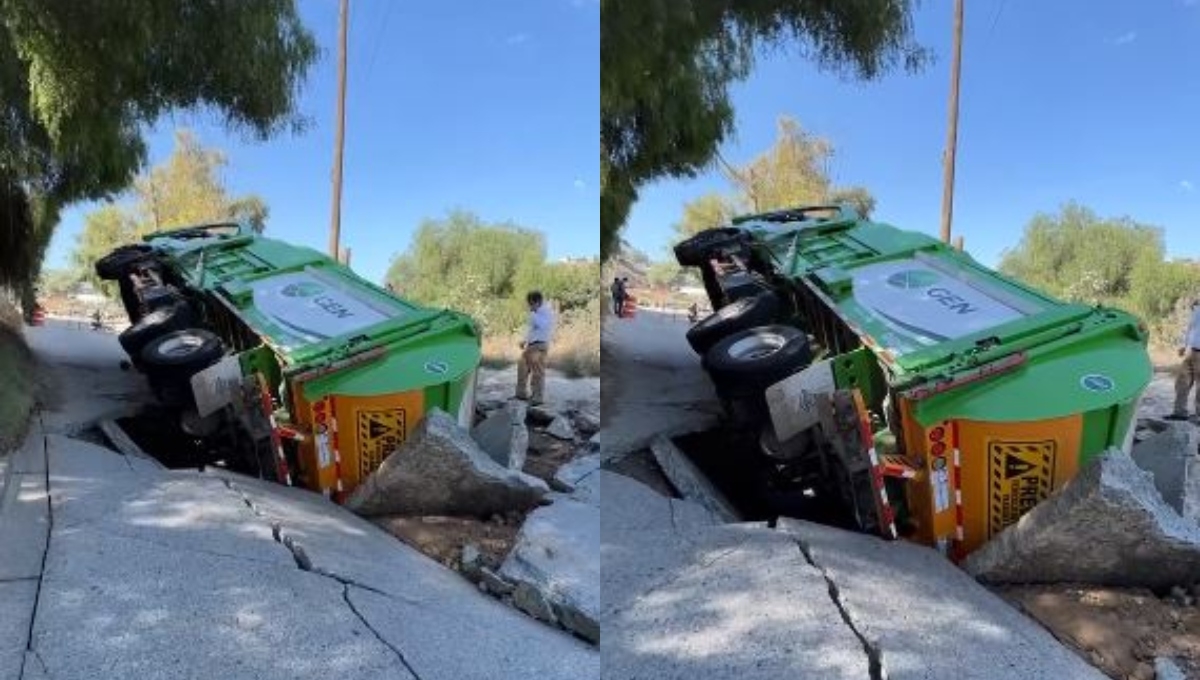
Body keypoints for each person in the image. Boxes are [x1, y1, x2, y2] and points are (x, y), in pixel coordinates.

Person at [516, 290, 555, 406]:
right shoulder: (536, 312)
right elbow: (532, 329)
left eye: (531, 303)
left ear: (538, 302)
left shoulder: (546, 312)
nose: (529, 306)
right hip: (531, 345)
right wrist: (524, 340)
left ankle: (537, 398)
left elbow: (541, 325)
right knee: (522, 366)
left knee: (537, 372)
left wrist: (533, 314)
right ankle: (521, 394)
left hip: (540, 345)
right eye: (529, 303)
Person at [1168, 299, 1200, 421]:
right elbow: (1189, 328)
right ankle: (1179, 412)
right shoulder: (1196, 310)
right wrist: (1183, 345)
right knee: (1182, 382)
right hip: (1190, 350)